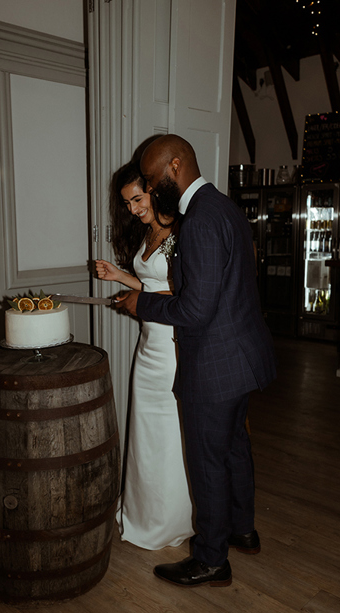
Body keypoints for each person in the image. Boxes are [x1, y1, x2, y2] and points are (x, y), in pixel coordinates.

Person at [114, 135, 277, 588]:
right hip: (243, 356)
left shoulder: (200, 219)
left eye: (150, 178)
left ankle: (210, 559)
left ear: (175, 166)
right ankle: (243, 530)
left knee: (208, 460)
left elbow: (194, 310)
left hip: (214, 363)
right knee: (235, 449)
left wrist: (139, 304)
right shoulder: (225, 207)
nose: (148, 186)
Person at [94, 162, 193, 551]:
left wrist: (143, 301)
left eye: (137, 199)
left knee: (169, 437)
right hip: (147, 348)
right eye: (127, 203)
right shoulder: (150, 233)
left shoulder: (181, 233)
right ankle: (140, 512)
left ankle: (170, 519)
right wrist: (120, 277)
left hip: (173, 347)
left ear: (154, 190)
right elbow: (150, 283)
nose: (133, 209)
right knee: (145, 435)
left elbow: (189, 298)